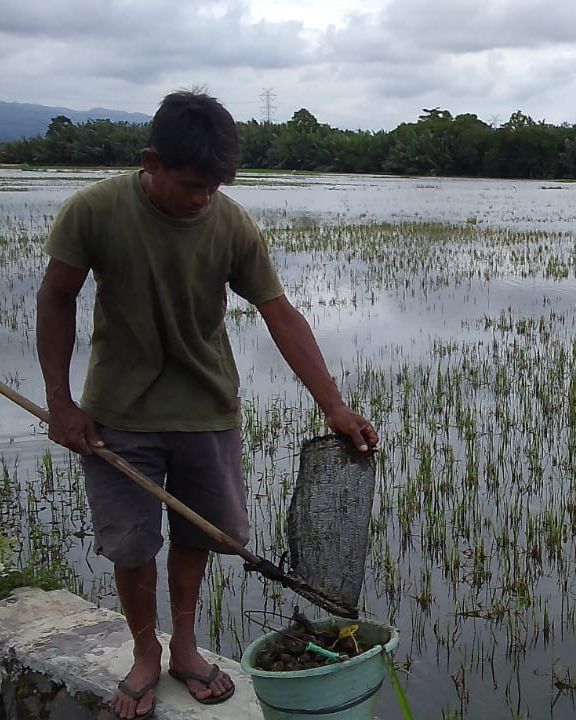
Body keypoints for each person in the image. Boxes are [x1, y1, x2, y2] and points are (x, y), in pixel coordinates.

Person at [36, 90, 378, 720]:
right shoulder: (94, 210)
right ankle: (145, 652)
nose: (203, 199)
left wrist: (333, 404)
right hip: (119, 412)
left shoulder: (231, 223)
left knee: (197, 533)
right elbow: (56, 298)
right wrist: (60, 402)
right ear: (152, 162)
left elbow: (279, 312)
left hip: (207, 410)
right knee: (132, 545)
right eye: (193, 185)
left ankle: (186, 648)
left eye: (215, 186)